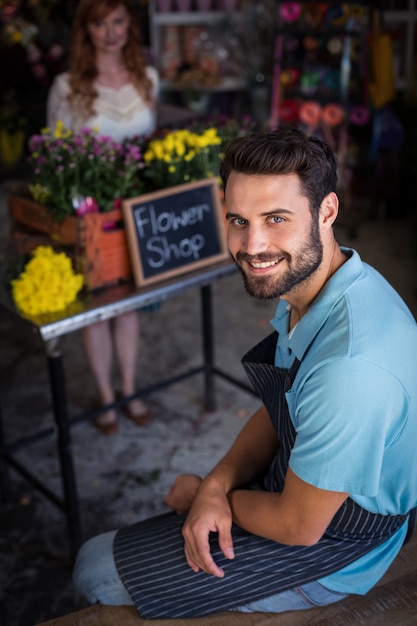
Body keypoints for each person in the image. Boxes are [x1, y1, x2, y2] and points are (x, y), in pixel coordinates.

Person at [72, 125, 417, 618]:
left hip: (339, 545)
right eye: (238, 220)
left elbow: (299, 526)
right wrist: (216, 485)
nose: (252, 246)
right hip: (303, 493)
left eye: (276, 218)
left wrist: (204, 495)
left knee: (92, 569)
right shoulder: (328, 284)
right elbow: (285, 408)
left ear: (328, 212)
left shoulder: (351, 370)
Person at [47, 0, 159, 434]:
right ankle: (106, 396)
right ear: (86, 30)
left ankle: (129, 388)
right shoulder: (66, 86)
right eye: (100, 23)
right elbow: (55, 157)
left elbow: (149, 148)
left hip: (134, 211)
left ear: (129, 24)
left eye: (117, 21)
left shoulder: (147, 79)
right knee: (96, 308)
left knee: (127, 305)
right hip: (90, 215)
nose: (110, 32)